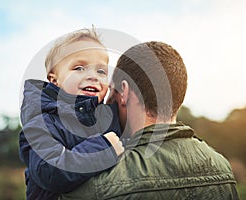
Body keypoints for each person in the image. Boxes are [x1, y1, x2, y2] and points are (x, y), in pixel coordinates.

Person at [59, 41, 239, 199]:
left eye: (112, 93)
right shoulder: (222, 166)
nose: (107, 103)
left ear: (124, 92)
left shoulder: (98, 180)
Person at [19, 28, 124, 200]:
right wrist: (103, 147)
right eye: (79, 68)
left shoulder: (107, 117)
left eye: (101, 71)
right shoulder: (42, 122)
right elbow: (50, 172)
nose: (92, 76)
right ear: (55, 80)